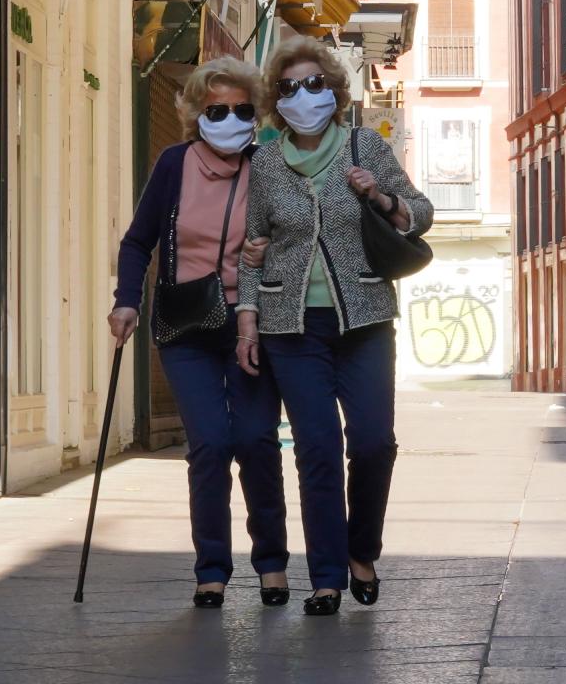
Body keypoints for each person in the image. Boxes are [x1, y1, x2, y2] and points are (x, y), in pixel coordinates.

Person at [235, 36, 434, 617]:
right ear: (277, 99)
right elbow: (253, 246)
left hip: (365, 318)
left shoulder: (364, 146)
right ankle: (326, 578)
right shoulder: (265, 162)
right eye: (290, 87)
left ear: (334, 90)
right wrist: (247, 321)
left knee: (373, 443)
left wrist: (381, 198)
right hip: (290, 328)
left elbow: (420, 212)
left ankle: (361, 551)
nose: (304, 95)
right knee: (317, 448)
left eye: (315, 83)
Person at [109, 57, 289, 609]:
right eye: (216, 111)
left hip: (251, 325)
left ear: (256, 114)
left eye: (241, 110)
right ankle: (211, 569)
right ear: (195, 114)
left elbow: (296, 238)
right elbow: (138, 240)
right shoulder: (174, 164)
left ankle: (272, 564)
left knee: (256, 441)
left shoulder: (268, 166)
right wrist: (126, 301)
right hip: (186, 325)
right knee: (210, 444)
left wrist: (270, 250)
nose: (230, 119)